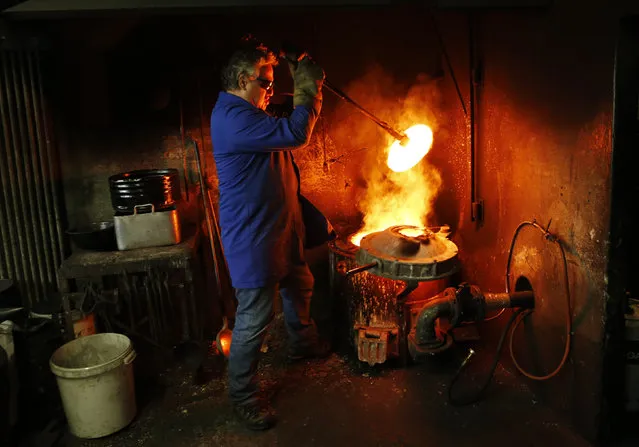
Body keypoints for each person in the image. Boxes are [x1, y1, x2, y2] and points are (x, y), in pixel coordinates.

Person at [210, 41, 331, 431]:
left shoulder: (249, 111)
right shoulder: (233, 118)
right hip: (253, 234)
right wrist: (309, 90)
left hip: (281, 224)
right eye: (266, 83)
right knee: (254, 318)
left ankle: (303, 345)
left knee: (300, 285)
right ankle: (243, 397)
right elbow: (296, 133)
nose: (270, 91)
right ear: (245, 79)